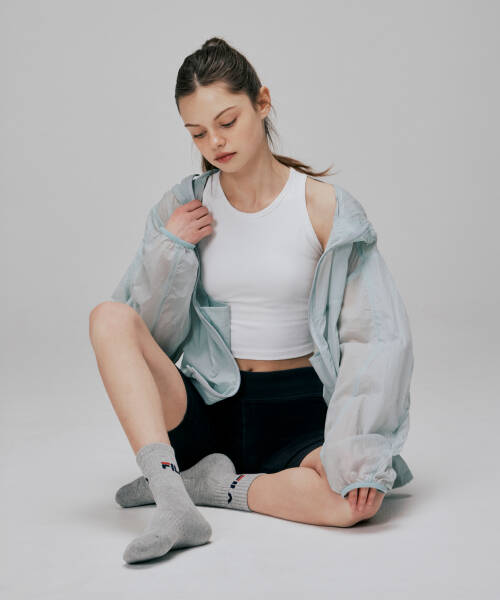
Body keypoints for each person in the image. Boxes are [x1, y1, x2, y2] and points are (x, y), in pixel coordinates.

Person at [89, 37, 414, 564]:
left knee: (351, 505)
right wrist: (170, 249)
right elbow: (146, 336)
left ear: (262, 102)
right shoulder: (185, 206)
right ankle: (173, 501)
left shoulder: (323, 207)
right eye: (197, 132)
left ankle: (212, 486)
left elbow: (376, 337)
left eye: (227, 121)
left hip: (299, 411)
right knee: (108, 317)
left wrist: (362, 451)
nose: (215, 142)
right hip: (207, 406)